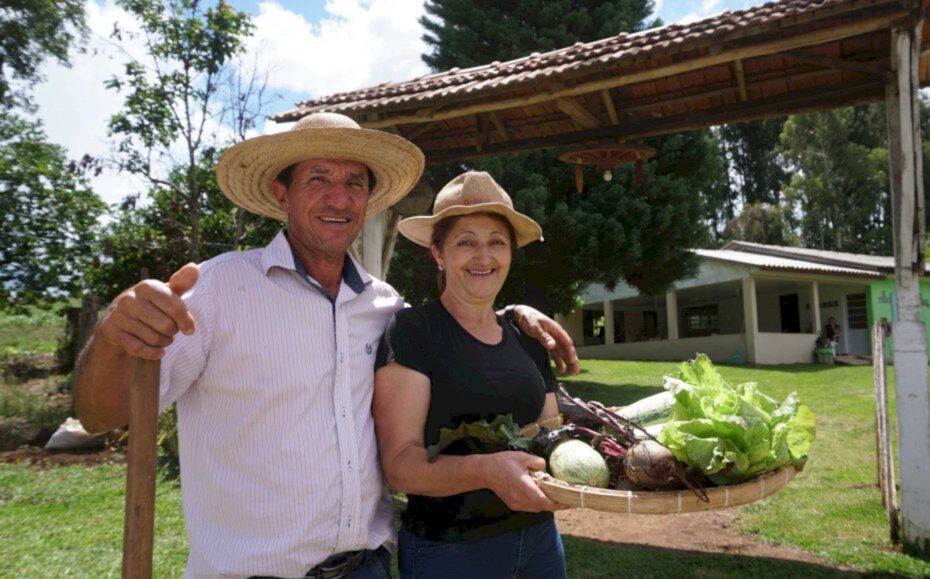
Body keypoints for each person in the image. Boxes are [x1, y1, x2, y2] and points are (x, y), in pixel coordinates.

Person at [72, 113, 580, 578]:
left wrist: (515, 316)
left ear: (367, 201)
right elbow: (103, 416)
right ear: (281, 193)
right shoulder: (216, 290)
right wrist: (113, 338)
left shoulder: (385, 307)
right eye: (319, 179)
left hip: (367, 568)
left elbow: (463, 324)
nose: (339, 198)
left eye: (354, 183)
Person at [373, 171, 568, 579]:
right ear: (438, 253)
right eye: (466, 242)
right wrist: (486, 471)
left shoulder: (529, 336)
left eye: (497, 241)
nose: (484, 256)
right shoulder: (414, 331)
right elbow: (400, 466)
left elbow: (550, 434)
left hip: (540, 540)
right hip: (450, 551)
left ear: (511, 253)